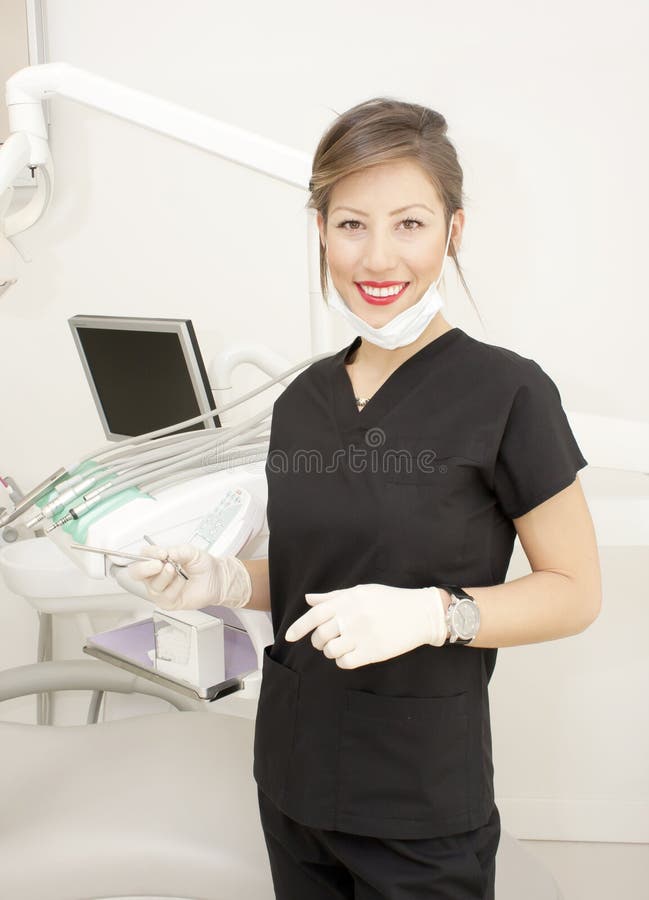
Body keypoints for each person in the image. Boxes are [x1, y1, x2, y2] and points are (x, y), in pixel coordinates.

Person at [128, 98, 602, 899]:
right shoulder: (303, 399)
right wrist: (226, 580)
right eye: (351, 224)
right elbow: (319, 575)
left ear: (453, 231)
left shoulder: (507, 393)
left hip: (418, 801)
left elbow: (574, 592)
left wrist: (436, 615)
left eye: (409, 223)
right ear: (320, 230)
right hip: (291, 778)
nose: (378, 256)